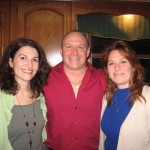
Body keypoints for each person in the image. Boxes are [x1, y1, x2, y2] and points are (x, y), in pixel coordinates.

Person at [43, 31, 106, 150]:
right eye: (69, 47)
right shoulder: (44, 77)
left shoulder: (103, 78)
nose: (74, 52)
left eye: (80, 47)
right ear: (61, 51)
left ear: (88, 52)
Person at [0, 38, 50, 150]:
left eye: (35, 60)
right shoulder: (1, 98)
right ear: (11, 62)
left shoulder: (39, 96)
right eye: (23, 58)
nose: (30, 65)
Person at [99, 40, 150, 150]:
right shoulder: (107, 97)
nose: (117, 68)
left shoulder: (148, 97)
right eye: (111, 63)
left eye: (123, 61)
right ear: (107, 71)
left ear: (133, 67)